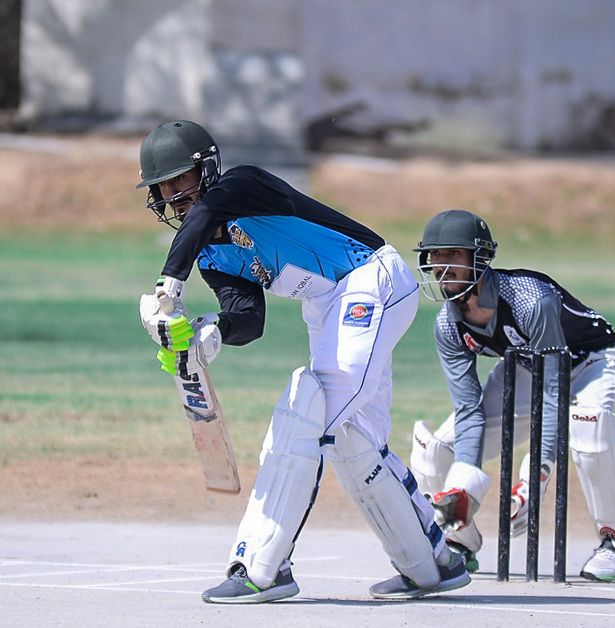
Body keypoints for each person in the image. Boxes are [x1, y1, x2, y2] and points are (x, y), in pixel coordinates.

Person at [135, 120, 470, 603]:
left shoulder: (241, 186)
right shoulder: (211, 254)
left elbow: (207, 211)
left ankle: (263, 566)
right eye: (164, 188)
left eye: (180, 180)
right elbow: (248, 318)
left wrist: (168, 285)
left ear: (206, 170)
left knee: (304, 420)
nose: (174, 195)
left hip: (368, 278)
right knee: (353, 436)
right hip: (326, 307)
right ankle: (432, 562)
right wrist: (213, 333)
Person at [409, 209, 615, 582]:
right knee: (435, 449)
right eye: (436, 255)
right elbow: (469, 409)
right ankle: (457, 541)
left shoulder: (530, 299)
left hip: (591, 362)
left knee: (590, 426)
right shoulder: (448, 326)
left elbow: (552, 391)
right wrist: (463, 486)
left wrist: (536, 476)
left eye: (453, 254)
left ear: (480, 256)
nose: (442, 265)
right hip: (524, 367)